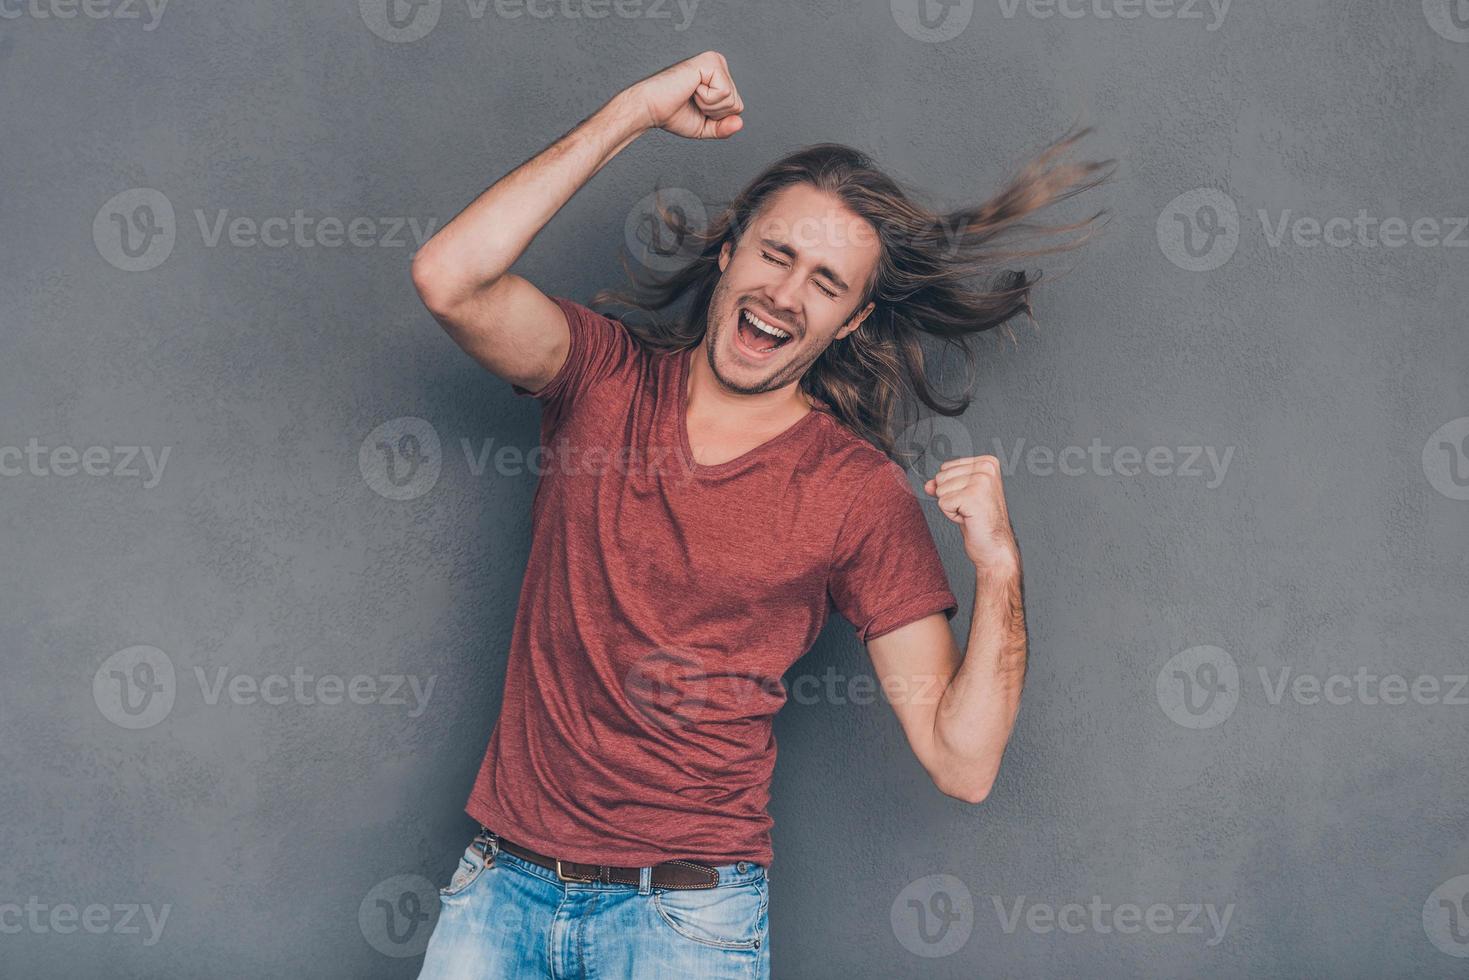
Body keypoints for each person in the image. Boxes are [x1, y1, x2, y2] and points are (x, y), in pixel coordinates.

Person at [408, 50, 1110, 979]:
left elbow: (961, 759)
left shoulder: (854, 494)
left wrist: (1000, 568)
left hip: (682, 923)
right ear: (730, 248)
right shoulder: (599, 378)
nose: (786, 292)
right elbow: (448, 278)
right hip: (499, 890)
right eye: (776, 253)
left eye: (826, 281)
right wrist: (632, 111)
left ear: (851, 322)